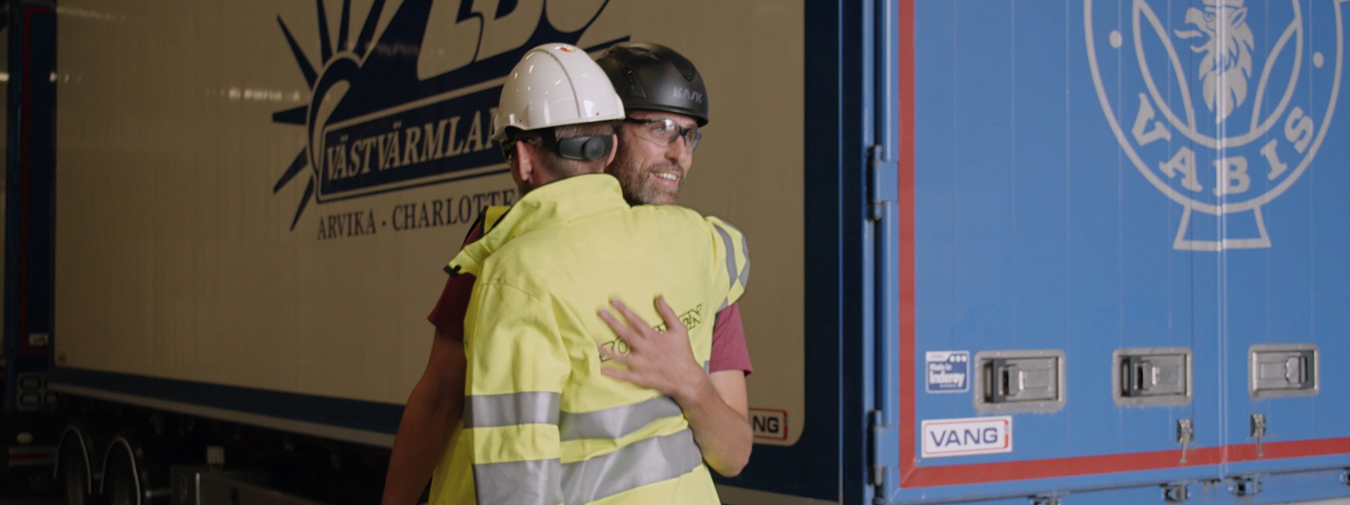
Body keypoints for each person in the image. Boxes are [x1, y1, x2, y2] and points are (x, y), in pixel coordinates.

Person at [381, 42, 753, 505]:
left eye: (690, 134)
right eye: (660, 129)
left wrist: (690, 384)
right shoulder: (503, 247)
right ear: (610, 135)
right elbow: (439, 400)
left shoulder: (696, 255)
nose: (680, 154)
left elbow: (734, 454)